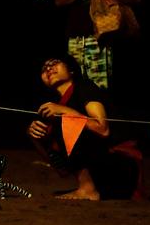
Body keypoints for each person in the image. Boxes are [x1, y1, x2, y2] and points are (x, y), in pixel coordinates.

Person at [26, 57, 141, 200]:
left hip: (122, 170)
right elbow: (62, 169)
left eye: (54, 63)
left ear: (72, 70)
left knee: (68, 122)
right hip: (102, 179)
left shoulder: (85, 87)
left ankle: (88, 189)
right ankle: (88, 186)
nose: (48, 69)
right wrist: (34, 136)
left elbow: (102, 129)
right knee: (46, 131)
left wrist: (65, 111)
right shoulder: (57, 105)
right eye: (44, 68)